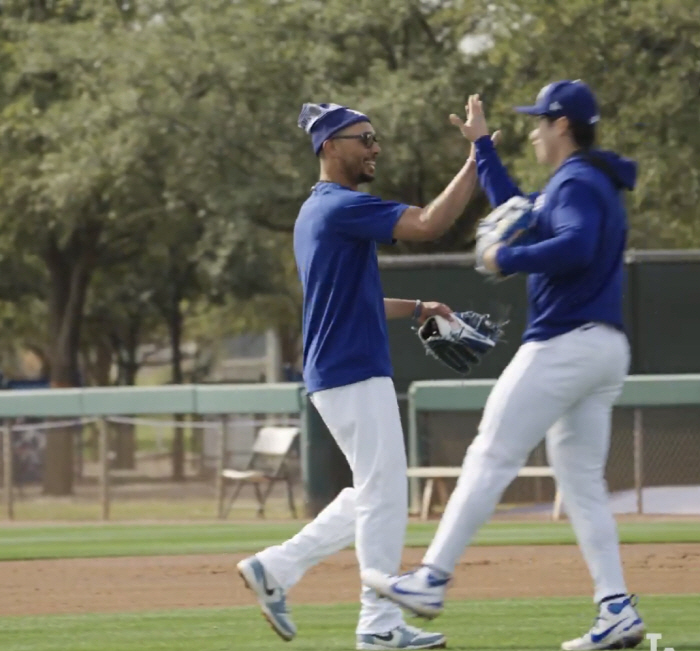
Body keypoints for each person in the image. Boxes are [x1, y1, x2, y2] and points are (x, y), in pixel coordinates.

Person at [361, 80, 646, 651]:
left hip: (564, 345)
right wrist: (482, 146)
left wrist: (504, 256)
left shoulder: (577, 181)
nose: (536, 131)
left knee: (490, 453)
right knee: (583, 484)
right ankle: (615, 607)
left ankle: (431, 579)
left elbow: (576, 243)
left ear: (561, 125)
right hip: (602, 348)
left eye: (541, 122)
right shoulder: (584, 180)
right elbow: (519, 207)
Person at [236, 100, 495, 651]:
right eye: (364, 138)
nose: (375, 147)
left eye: (375, 137)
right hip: (352, 369)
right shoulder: (341, 207)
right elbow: (430, 223)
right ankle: (377, 626)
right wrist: (478, 155)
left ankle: (276, 567)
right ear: (330, 147)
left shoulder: (318, 211)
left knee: (371, 492)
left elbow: (356, 301)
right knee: (384, 494)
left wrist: (420, 306)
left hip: (339, 367)